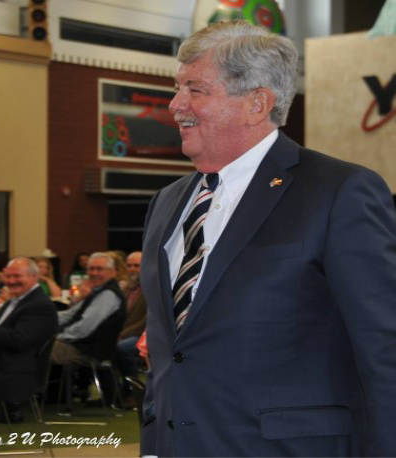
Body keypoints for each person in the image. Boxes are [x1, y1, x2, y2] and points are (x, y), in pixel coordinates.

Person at [139, 20, 396, 458]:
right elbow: (172, 354)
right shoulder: (166, 203)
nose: (175, 105)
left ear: (257, 103)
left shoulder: (338, 192)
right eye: (177, 88)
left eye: (195, 90)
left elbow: (384, 350)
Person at [0, 257, 58, 423]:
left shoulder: (39, 305)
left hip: (12, 370)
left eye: (17, 276)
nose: (11, 281)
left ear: (34, 277)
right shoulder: (16, 301)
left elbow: (18, 340)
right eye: (7, 277)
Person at [50, 252, 126, 405]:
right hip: (81, 346)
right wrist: (42, 319)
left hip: (88, 350)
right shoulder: (98, 292)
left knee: (33, 348)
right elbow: (70, 314)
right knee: (35, 343)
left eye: (99, 269)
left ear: (113, 272)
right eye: (91, 269)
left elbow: (84, 327)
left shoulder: (108, 295)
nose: (94, 273)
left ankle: (24, 399)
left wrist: (60, 336)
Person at [114, 251, 146, 407]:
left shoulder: (152, 287)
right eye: (129, 266)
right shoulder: (126, 288)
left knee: (122, 349)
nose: (132, 269)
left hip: (143, 335)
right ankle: (112, 393)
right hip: (123, 332)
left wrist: (122, 334)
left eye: (137, 265)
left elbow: (146, 321)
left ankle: (132, 393)